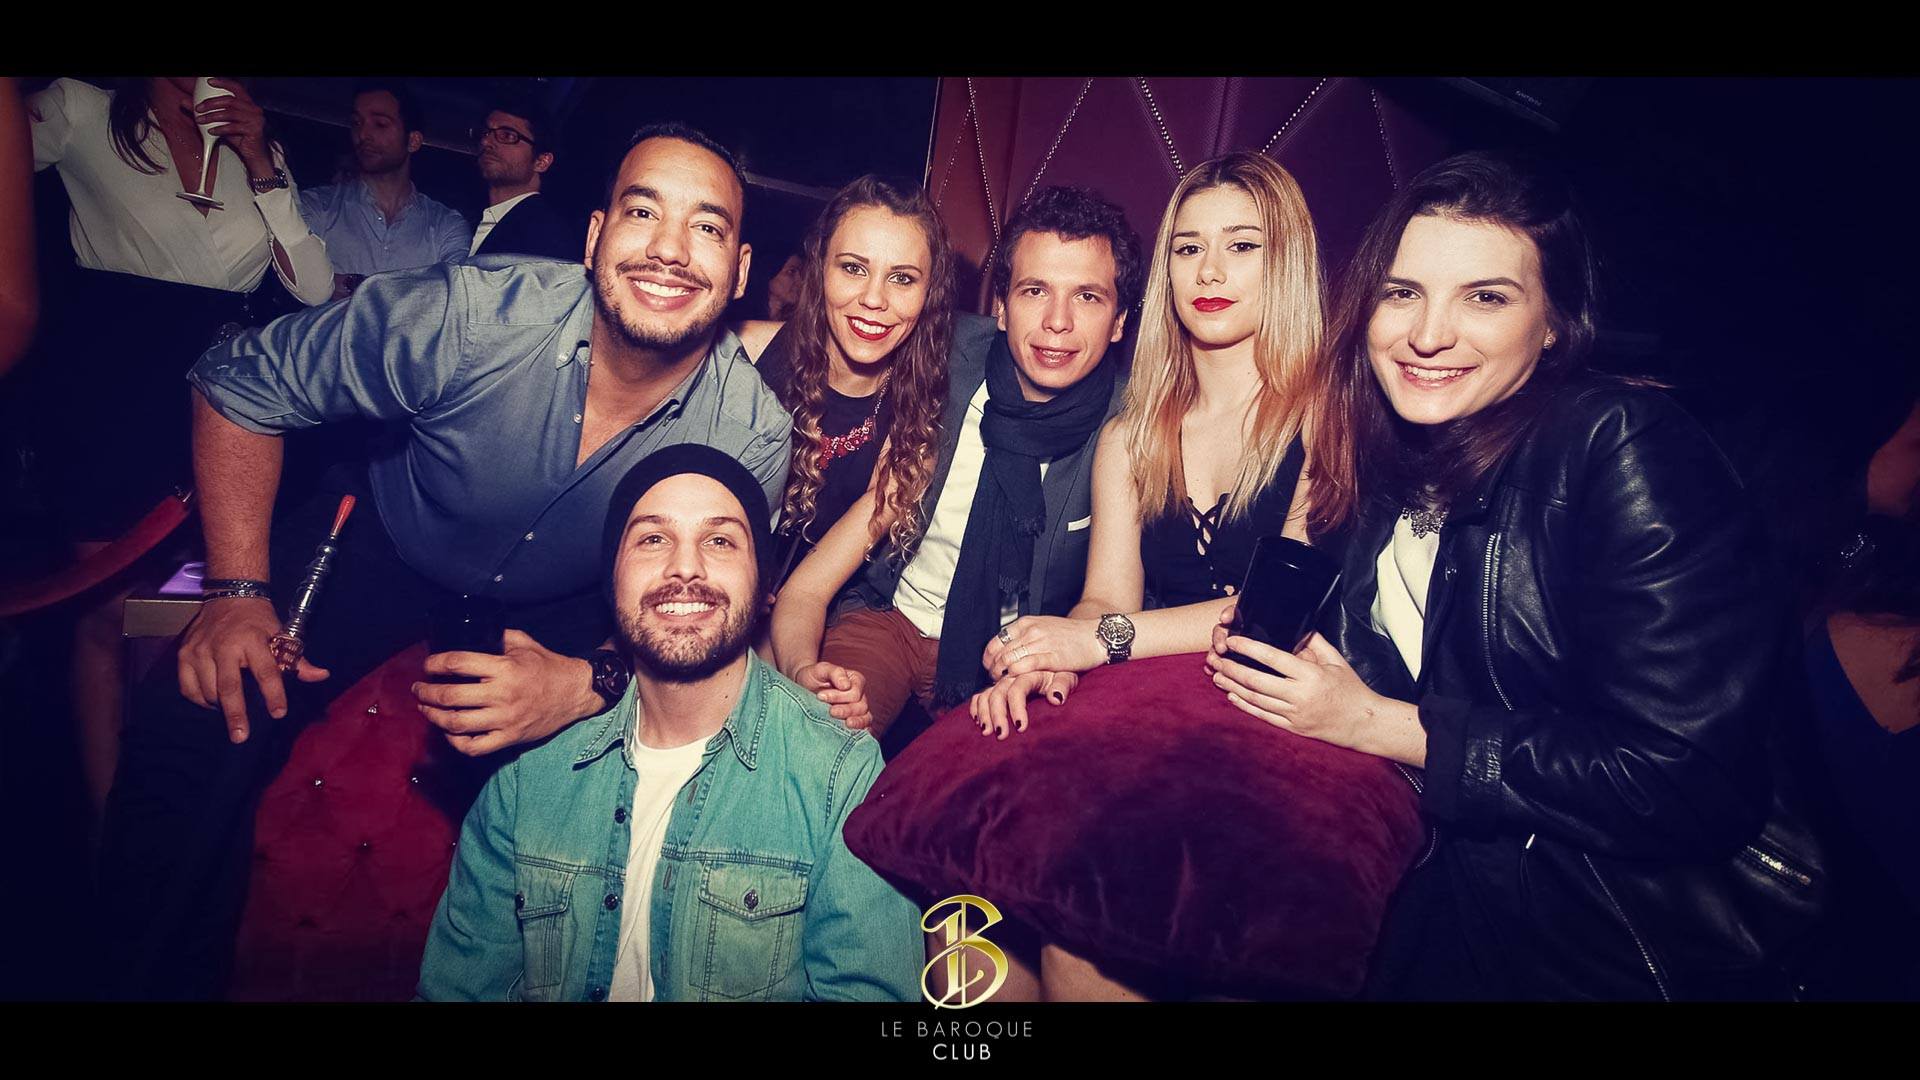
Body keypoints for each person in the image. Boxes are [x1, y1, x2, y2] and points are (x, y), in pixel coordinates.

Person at [97, 122, 793, 1000]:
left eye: (708, 226)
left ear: (739, 269)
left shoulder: (751, 432)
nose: (669, 249)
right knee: (198, 721)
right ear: (594, 237)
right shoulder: (468, 315)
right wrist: (237, 590)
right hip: (386, 534)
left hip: (572, 600)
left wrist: (589, 681)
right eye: (642, 211)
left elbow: (705, 611)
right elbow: (239, 381)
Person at [1208, 150, 1823, 1000]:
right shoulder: (1402, 451)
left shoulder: (1621, 445)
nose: (1429, 335)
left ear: (1556, 324)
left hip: (1612, 938)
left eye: (1486, 298)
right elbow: (1422, 657)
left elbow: (1687, 779)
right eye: (1402, 293)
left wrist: (1377, 723)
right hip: (1445, 886)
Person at [418, 444, 923, 1001]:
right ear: (612, 580)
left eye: (720, 540)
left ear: (763, 587)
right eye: (653, 539)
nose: (686, 567)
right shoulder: (528, 770)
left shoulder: (839, 773)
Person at [14, 75, 334, 829]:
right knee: (104, 613)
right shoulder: (83, 108)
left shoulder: (256, 143)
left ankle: (184, 815)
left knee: (227, 607)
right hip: (115, 388)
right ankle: (106, 830)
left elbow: (315, 289)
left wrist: (262, 161)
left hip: (230, 397)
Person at [768, 185, 1143, 739]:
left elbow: (1109, 602)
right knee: (815, 740)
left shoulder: (1131, 426)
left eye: (1087, 296)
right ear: (1001, 307)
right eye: (1034, 290)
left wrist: (1057, 655)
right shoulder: (945, 355)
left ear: (1118, 321)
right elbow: (843, 329)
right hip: (889, 617)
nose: (1057, 321)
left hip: (1016, 652)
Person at [969, 152, 1322, 738]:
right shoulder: (1130, 438)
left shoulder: (1327, 417)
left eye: (1241, 246)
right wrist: (1052, 656)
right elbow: (1107, 599)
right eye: (1188, 248)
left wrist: (1096, 640)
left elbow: (1275, 615)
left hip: (1285, 714)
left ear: (1288, 263)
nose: (1209, 272)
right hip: (1155, 699)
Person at [745, 175, 955, 586]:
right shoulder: (743, 355)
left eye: (902, 278)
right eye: (854, 268)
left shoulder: (915, 428)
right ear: (820, 269)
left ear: (929, 293)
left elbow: (808, 593)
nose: (874, 299)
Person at [299, 82, 470, 297]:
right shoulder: (318, 205)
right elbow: (296, 279)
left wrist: (349, 284)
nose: (363, 134)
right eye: (356, 123)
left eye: (380, 124)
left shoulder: (446, 225)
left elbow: (451, 298)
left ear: (413, 141)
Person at [468, 97, 578, 262]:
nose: (485, 141)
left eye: (507, 135)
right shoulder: (463, 221)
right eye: (485, 133)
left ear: (541, 162)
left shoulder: (547, 236)